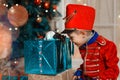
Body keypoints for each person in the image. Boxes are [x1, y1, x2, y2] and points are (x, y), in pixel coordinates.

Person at [62, 4, 119, 80]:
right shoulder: (84, 45)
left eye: (72, 37)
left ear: (83, 34)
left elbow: (113, 70)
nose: (71, 41)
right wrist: (80, 71)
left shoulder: (107, 46)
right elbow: (87, 64)